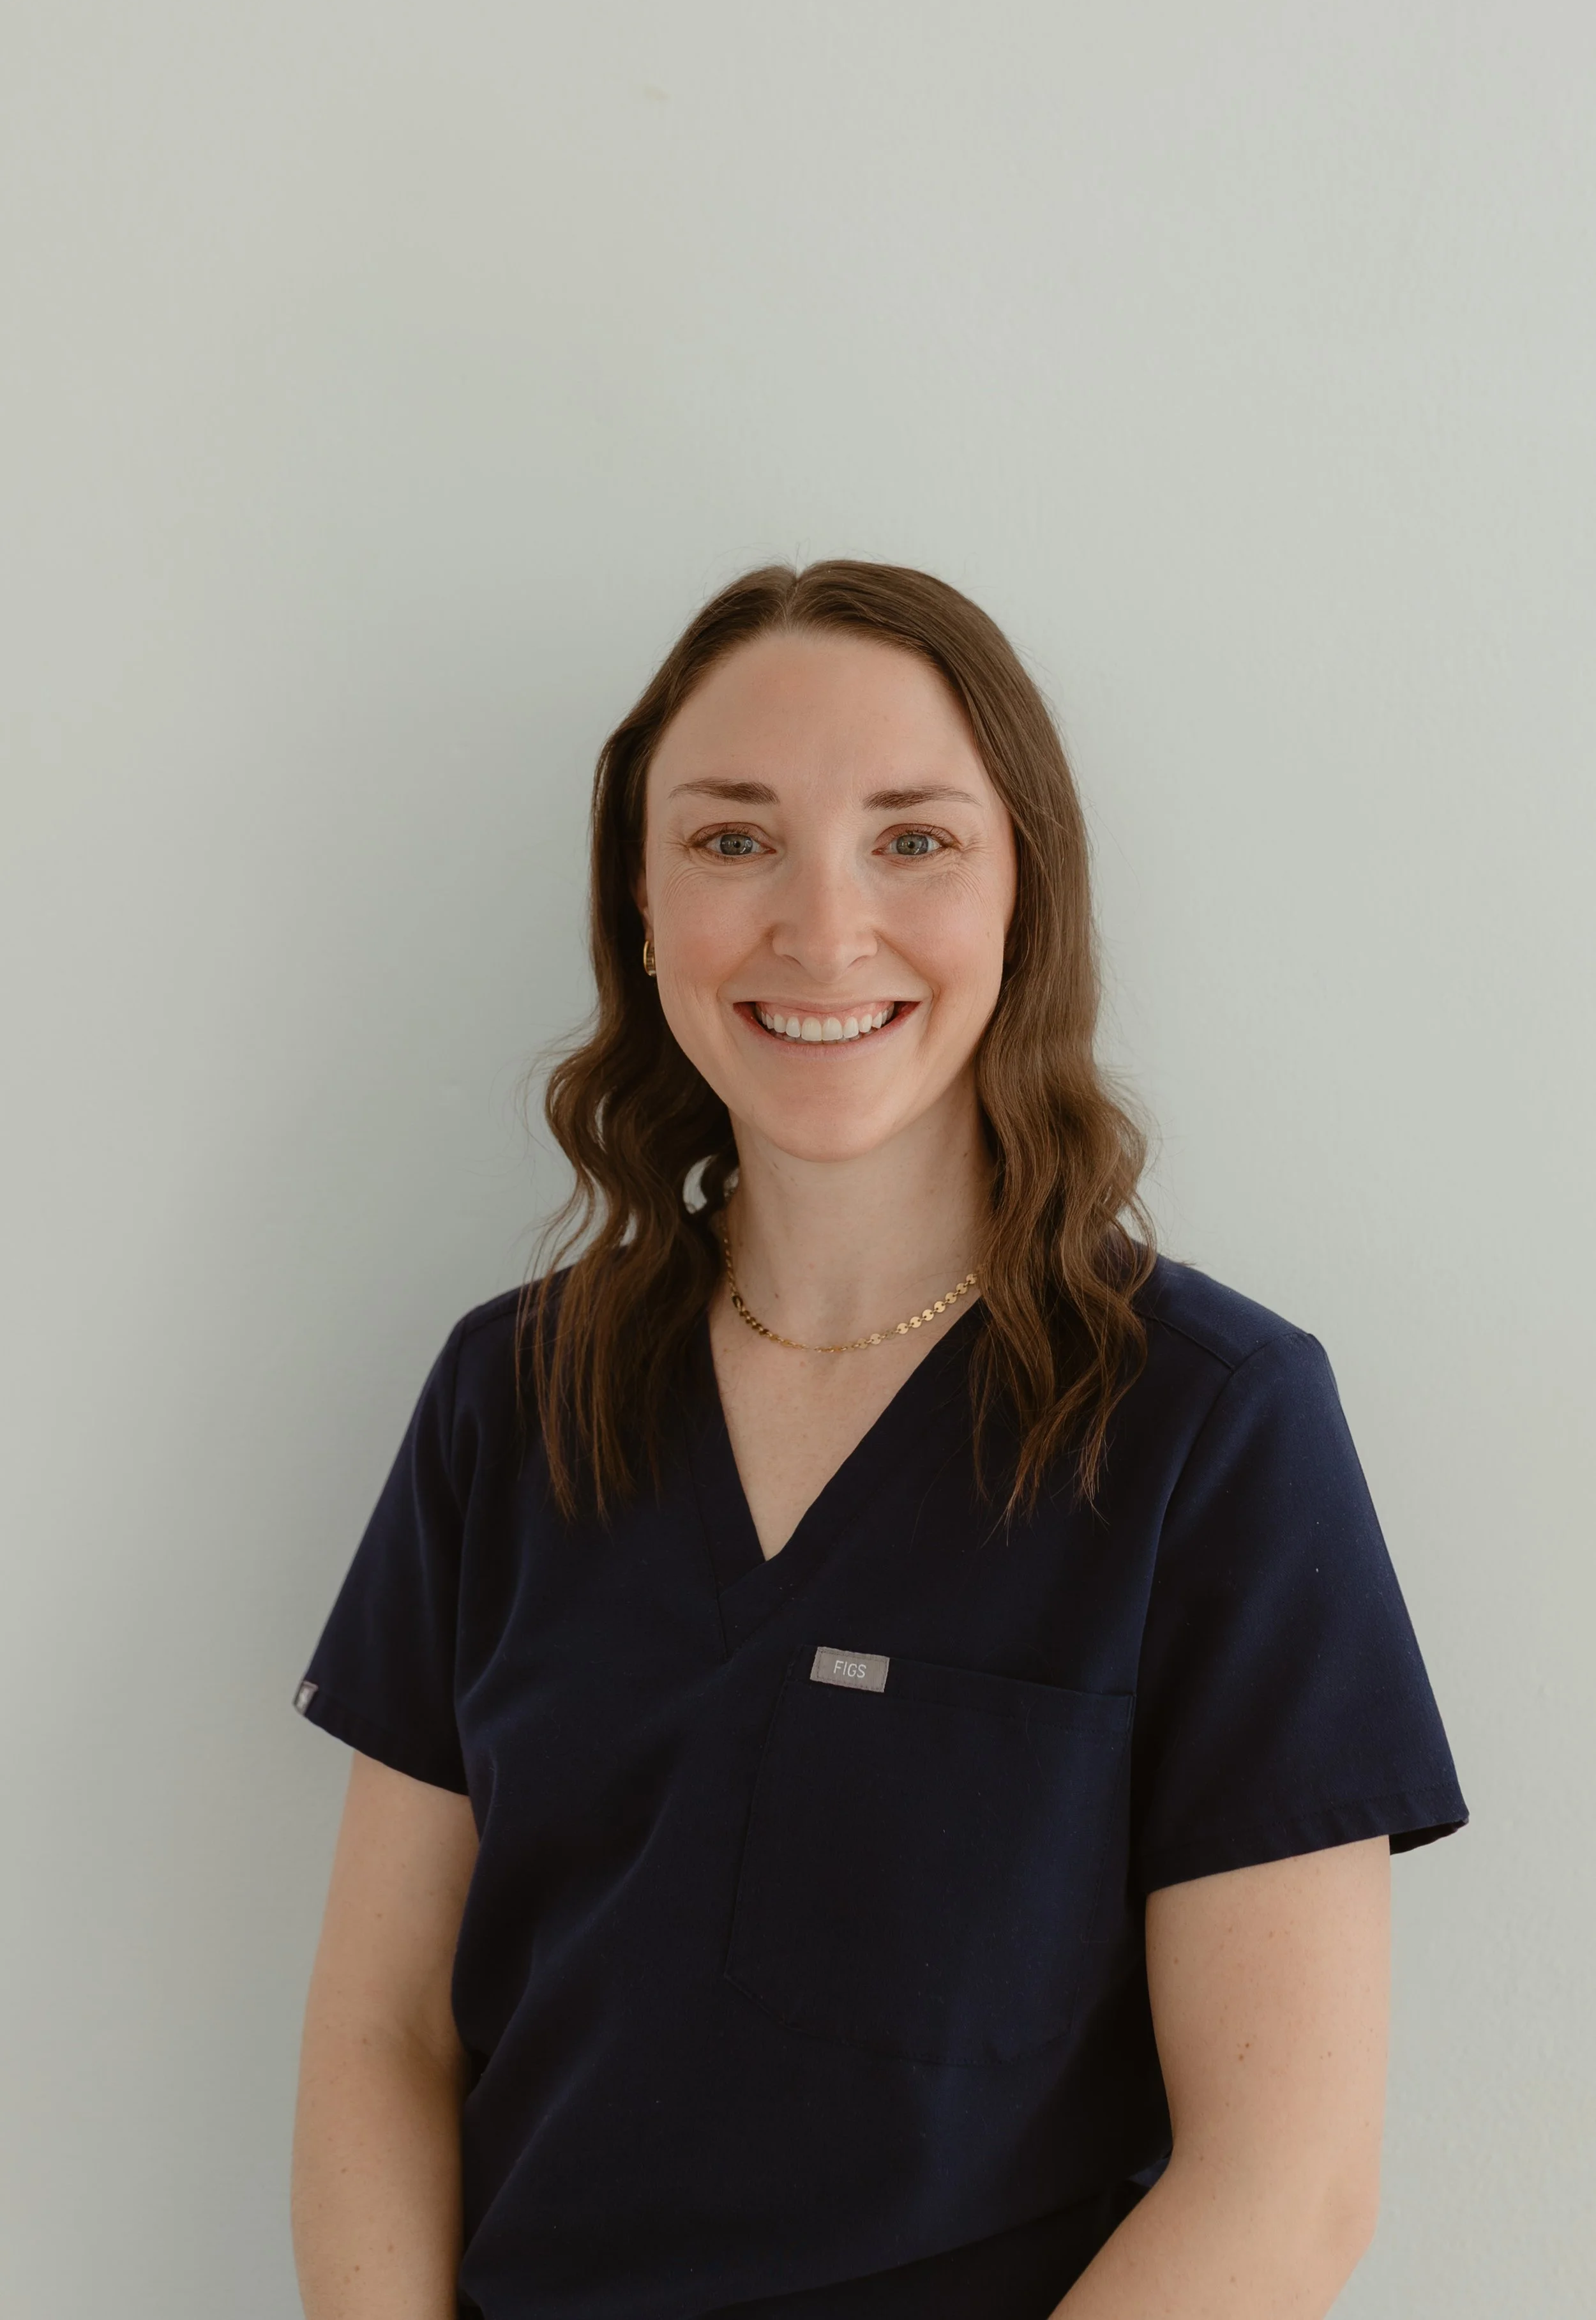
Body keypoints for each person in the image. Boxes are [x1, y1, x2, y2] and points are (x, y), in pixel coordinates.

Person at [289, 560, 1466, 2320]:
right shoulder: (509, 1396)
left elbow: (1283, 2185)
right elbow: (383, 2033)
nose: (823, 932)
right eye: (731, 838)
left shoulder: (1208, 1425)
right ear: (639, 899)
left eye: (911, 840)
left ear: (1024, 891)